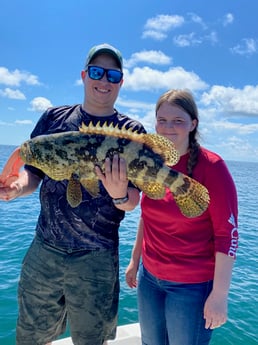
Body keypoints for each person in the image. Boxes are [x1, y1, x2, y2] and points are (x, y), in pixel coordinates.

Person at [0, 43, 146, 345]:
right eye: (96, 72)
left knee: (91, 339)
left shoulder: (131, 130)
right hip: (45, 250)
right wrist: (17, 187)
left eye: (112, 75)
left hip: (97, 258)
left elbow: (134, 200)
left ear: (121, 81)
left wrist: (119, 194)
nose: (103, 81)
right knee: (30, 336)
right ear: (84, 75)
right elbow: (34, 172)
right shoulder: (53, 118)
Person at [125, 89, 238, 345]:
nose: (168, 128)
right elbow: (147, 215)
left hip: (192, 287)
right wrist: (135, 261)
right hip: (149, 279)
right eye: (162, 120)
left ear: (193, 124)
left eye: (177, 121)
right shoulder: (148, 161)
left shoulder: (212, 167)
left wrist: (219, 295)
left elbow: (227, 234)